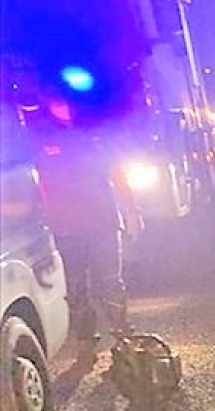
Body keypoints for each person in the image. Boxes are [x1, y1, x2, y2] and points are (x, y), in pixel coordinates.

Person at [25, 89, 144, 366]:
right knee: (76, 289)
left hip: (102, 222)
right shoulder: (41, 139)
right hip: (66, 228)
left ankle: (122, 337)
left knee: (109, 283)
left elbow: (117, 174)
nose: (59, 105)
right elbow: (38, 186)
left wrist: (131, 211)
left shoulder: (95, 133)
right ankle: (86, 342)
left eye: (63, 100)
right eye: (54, 100)